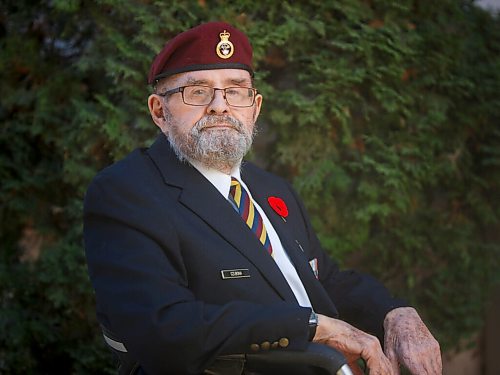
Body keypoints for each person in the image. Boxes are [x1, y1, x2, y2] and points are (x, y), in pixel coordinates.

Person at [84, 22, 442, 375]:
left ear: (254, 108)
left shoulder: (271, 189)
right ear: (159, 112)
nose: (219, 106)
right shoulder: (127, 192)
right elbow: (165, 329)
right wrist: (315, 326)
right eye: (197, 91)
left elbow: (325, 280)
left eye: (235, 90)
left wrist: (396, 314)